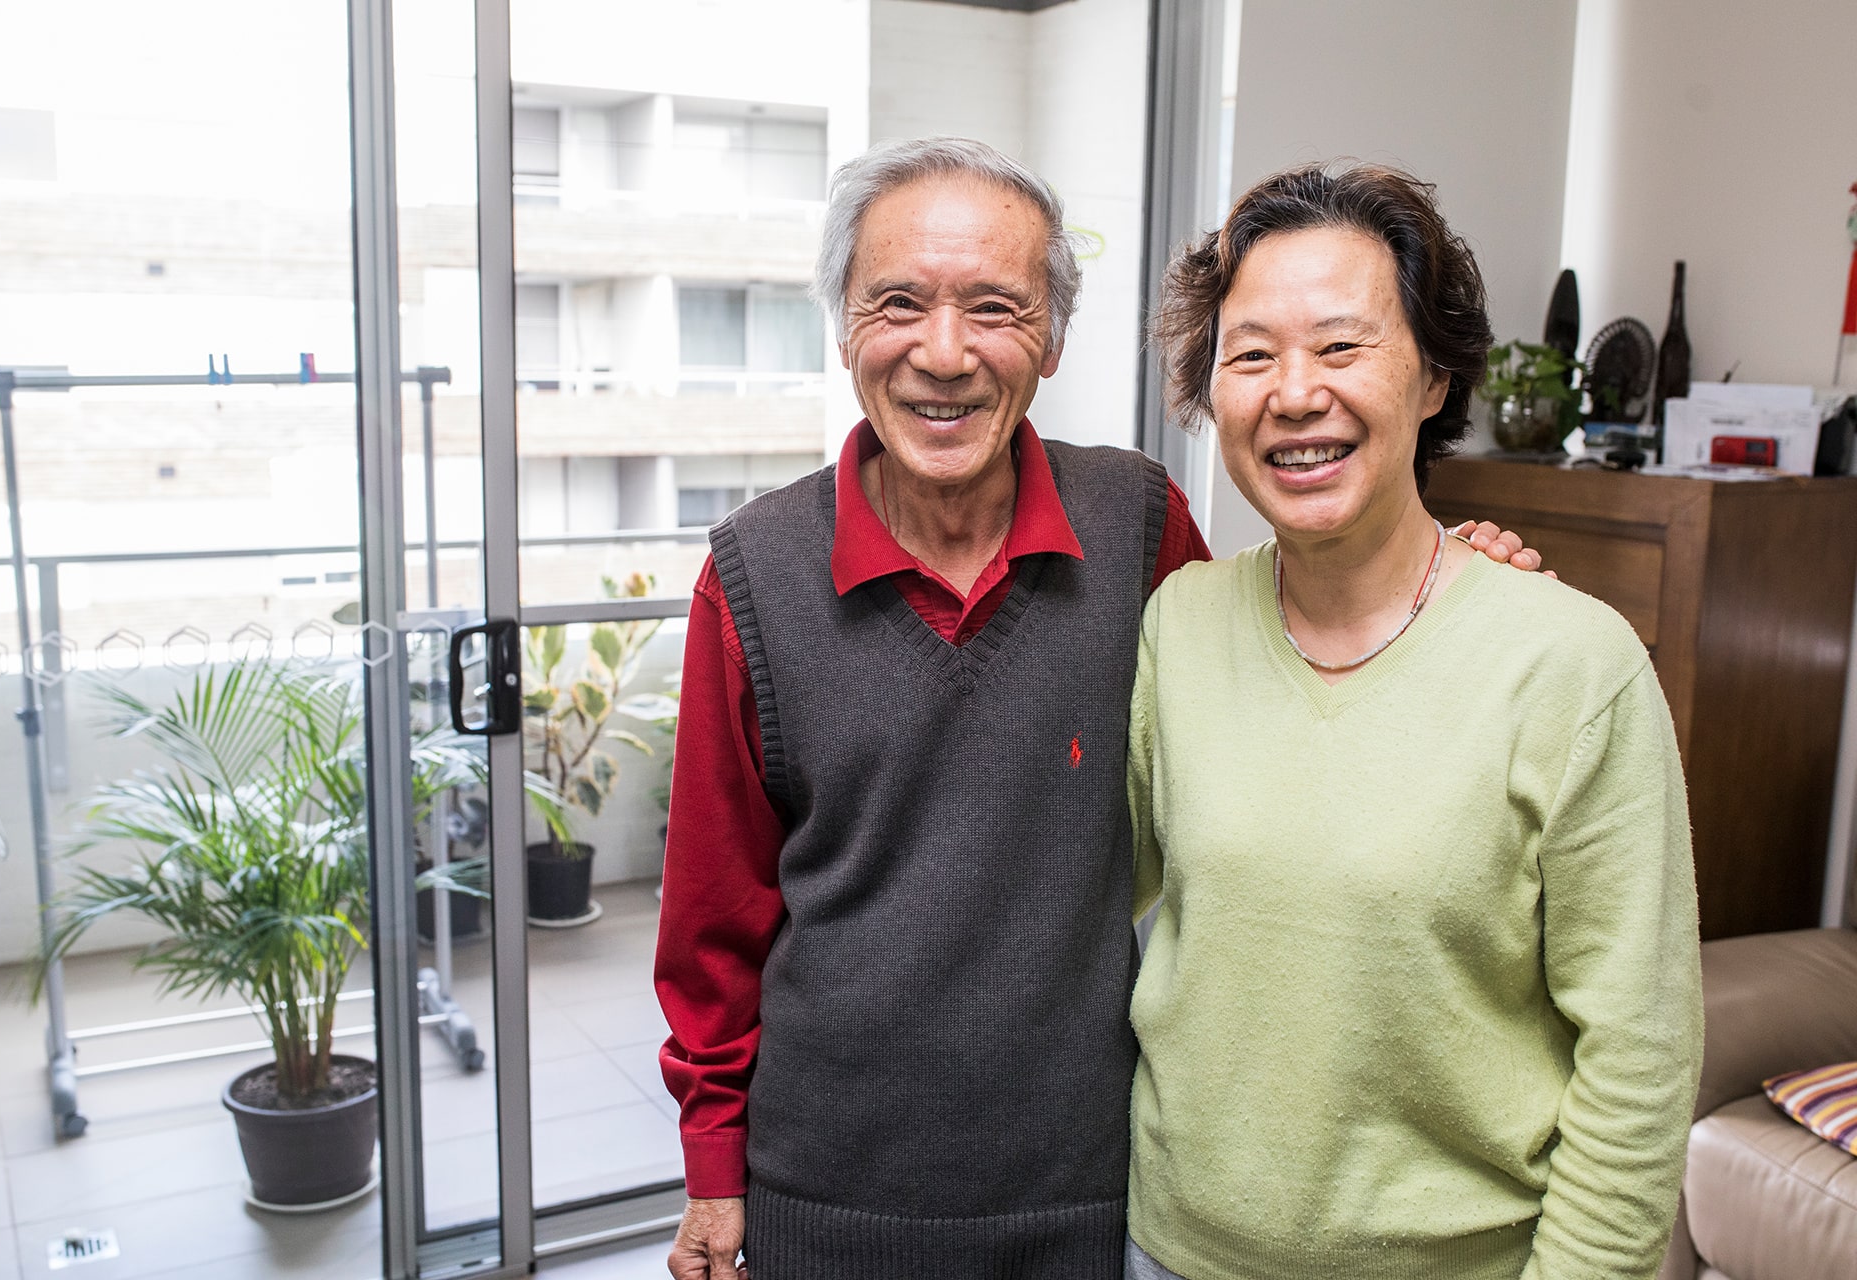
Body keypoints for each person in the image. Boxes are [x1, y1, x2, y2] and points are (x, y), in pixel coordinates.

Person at [655, 138, 1541, 1280]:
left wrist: (1445, 579)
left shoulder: (1136, 523)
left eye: (995, 307)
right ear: (842, 331)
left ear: (1054, 339)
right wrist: (713, 1164)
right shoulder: (752, 574)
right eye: (898, 303)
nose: (944, 351)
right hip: (826, 1187)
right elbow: (711, 915)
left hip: (1094, 1188)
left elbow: (1289, 670)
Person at [1125, 163, 1702, 1280]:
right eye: (1251, 355)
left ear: (1435, 374)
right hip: (1167, 1249)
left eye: (1342, 346)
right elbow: (1087, 902)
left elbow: (1639, 1055)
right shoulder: (1180, 625)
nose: (1295, 393)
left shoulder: (1574, 666)